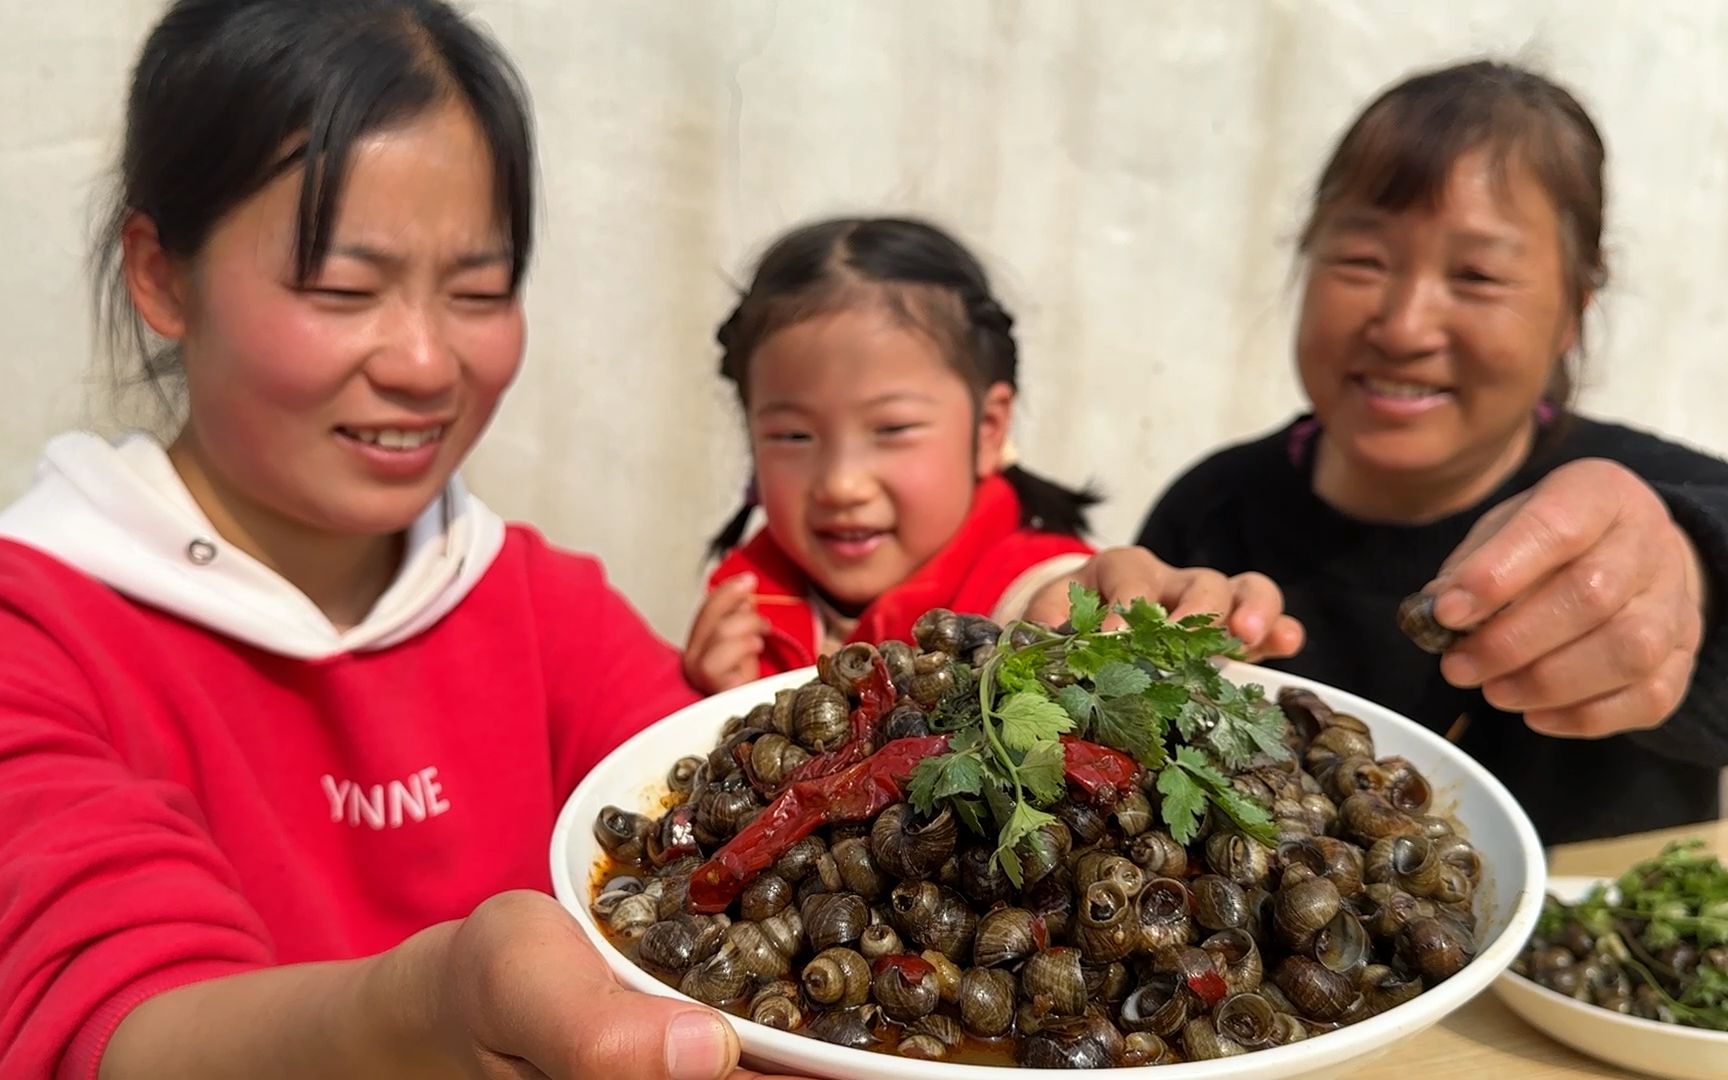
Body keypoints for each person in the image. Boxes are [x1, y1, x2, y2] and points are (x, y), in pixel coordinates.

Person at [0, 3, 825, 1078]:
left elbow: (770, 835)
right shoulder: (40, 631)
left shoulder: (540, 608)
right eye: (343, 288)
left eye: (479, 290)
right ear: (161, 275)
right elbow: (112, 1025)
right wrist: (427, 1017)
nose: (427, 363)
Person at [1030, 60, 1728, 844]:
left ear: (1573, 310)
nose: (1403, 325)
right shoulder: (1214, 507)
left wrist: (1693, 573)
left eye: (1477, 276)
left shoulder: (1669, 494)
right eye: (1363, 261)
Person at [683, 217, 1301, 693]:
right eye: (793, 436)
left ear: (988, 428)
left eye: (893, 428)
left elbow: (1054, 596)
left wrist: (1131, 614)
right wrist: (713, 701)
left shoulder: (1022, 581)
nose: (841, 483)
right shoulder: (743, 608)